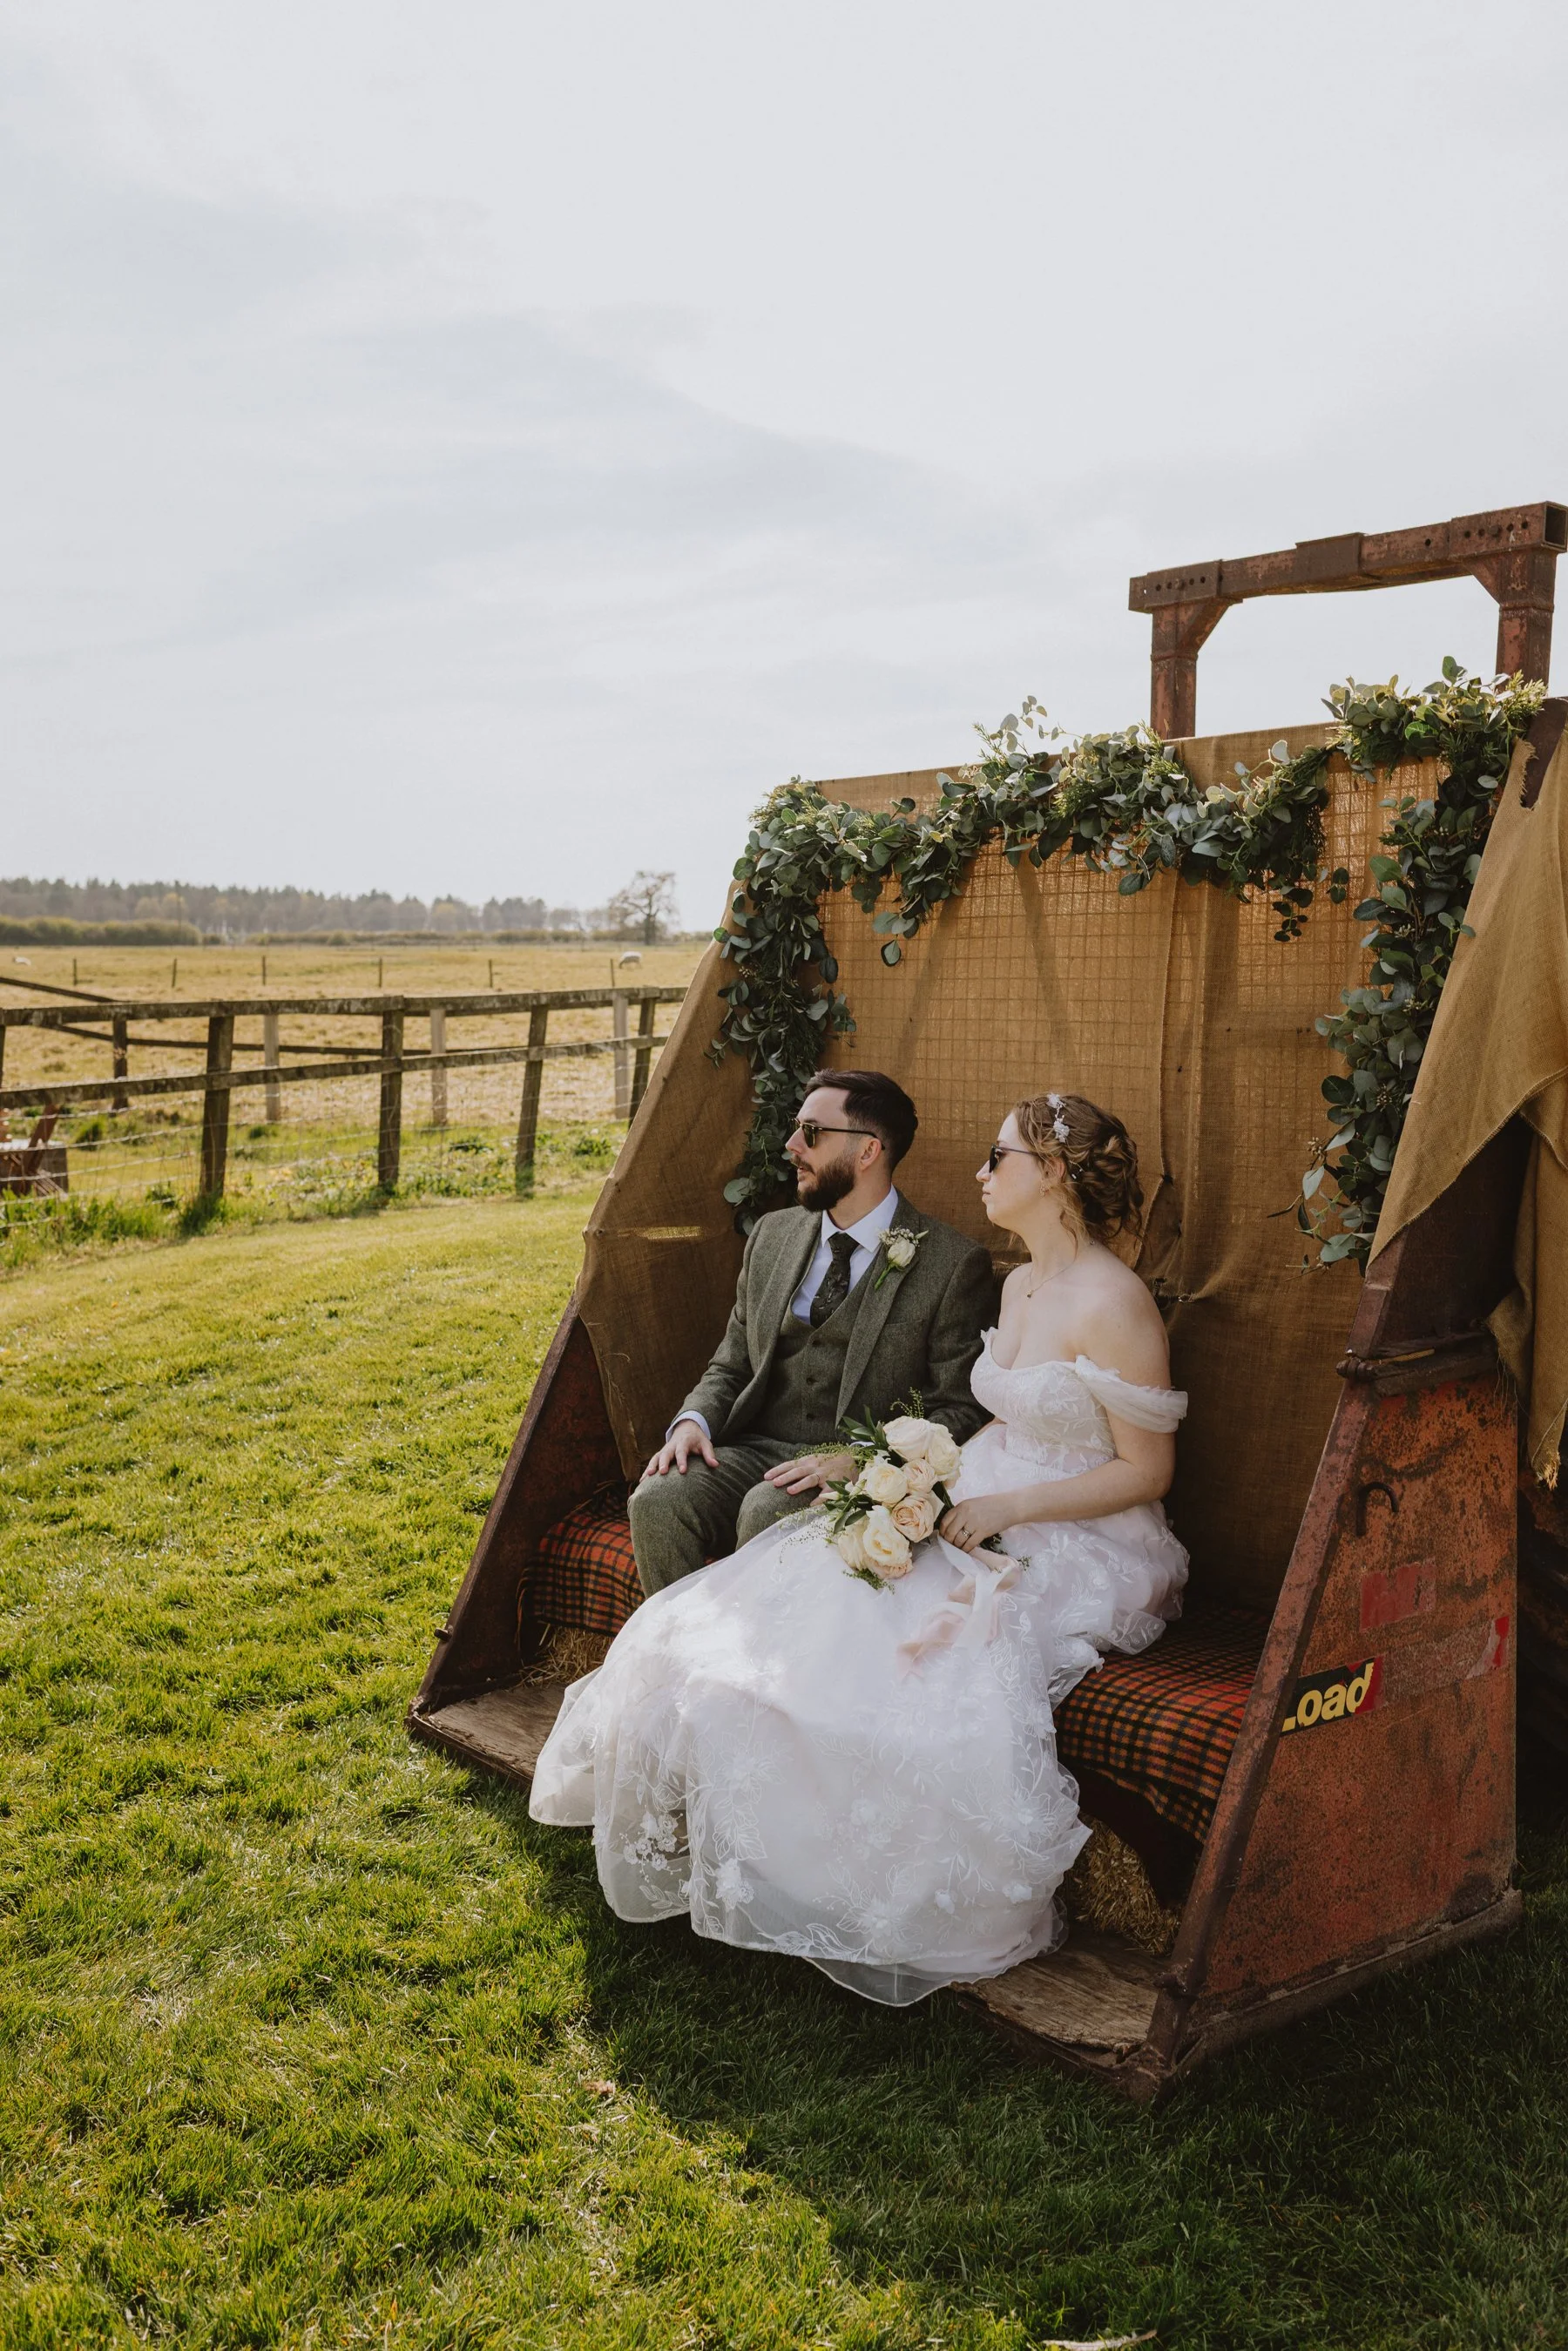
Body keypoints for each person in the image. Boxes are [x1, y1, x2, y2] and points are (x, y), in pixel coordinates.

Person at [530, 1089, 1188, 2005]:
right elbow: (981, 1416)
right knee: (815, 1592)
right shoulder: (1019, 1283)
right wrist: (914, 1477)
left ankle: (849, 1866)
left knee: (921, 1662)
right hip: (971, 1493)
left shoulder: (1116, 1303)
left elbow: (1148, 1471)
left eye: (998, 1157)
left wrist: (999, 1503)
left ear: (1053, 1174)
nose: (980, 1172)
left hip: (1072, 1531)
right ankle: (732, 1801)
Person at [627, 1068, 995, 1597]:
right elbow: (732, 1361)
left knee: (767, 1510)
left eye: (812, 1132)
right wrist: (693, 1421)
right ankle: (680, 1645)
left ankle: (753, 1651)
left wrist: (863, 1463)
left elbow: (957, 1409)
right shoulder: (772, 1235)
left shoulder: (951, 1263)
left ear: (868, 1151)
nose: (792, 1145)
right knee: (658, 1499)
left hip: (852, 1469)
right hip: (754, 1449)